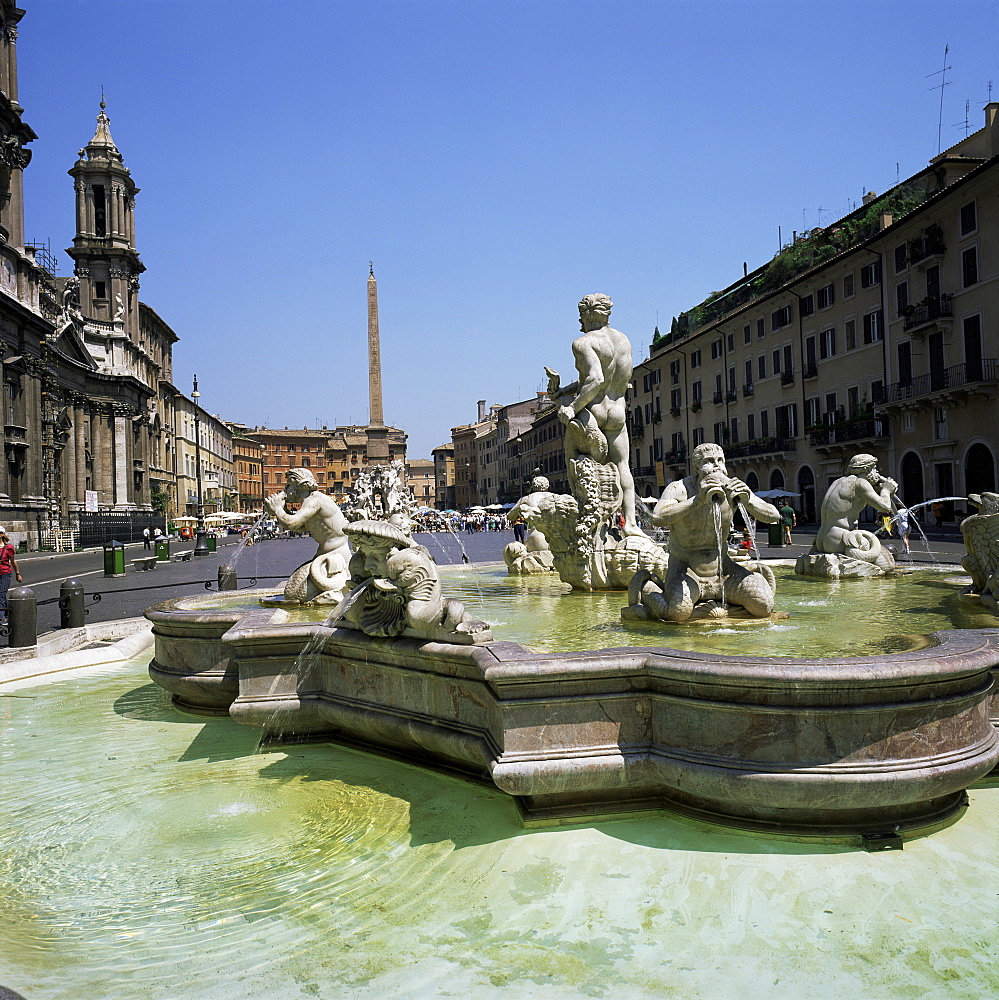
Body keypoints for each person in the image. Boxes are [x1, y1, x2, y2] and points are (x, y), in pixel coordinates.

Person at [631, 442, 782, 621]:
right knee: (677, 613)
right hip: (686, 571)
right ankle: (649, 589)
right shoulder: (679, 489)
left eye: (720, 460)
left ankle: (747, 585)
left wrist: (748, 500)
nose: (716, 465)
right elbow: (657, 517)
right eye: (709, 461)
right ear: (697, 466)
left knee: (763, 606)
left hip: (723, 571)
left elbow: (773, 515)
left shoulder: (733, 487)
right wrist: (698, 500)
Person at [547, 293, 641, 535]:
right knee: (623, 467)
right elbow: (602, 380)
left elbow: (595, 379)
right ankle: (630, 524)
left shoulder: (583, 342)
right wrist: (563, 391)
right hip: (617, 412)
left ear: (583, 316)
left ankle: (585, 517)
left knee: (573, 458)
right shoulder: (624, 340)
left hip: (594, 412)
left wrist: (571, 407)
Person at [811, 453, 897, 569]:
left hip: (822, 539)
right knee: (886, 562)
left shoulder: (838, 481)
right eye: (875, 468)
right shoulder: (860, 483)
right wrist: (887, 490)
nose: (877, 473)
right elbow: (885, 507)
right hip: (838, 540)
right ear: (867, 469)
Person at [0, 534, 22, 622]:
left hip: (5, 574)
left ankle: (1, 617)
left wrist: (18, 574)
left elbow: (13, 562)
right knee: (1, 595)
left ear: (1, 535)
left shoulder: (8, 548)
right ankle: (6, 612)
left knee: (1, 593)